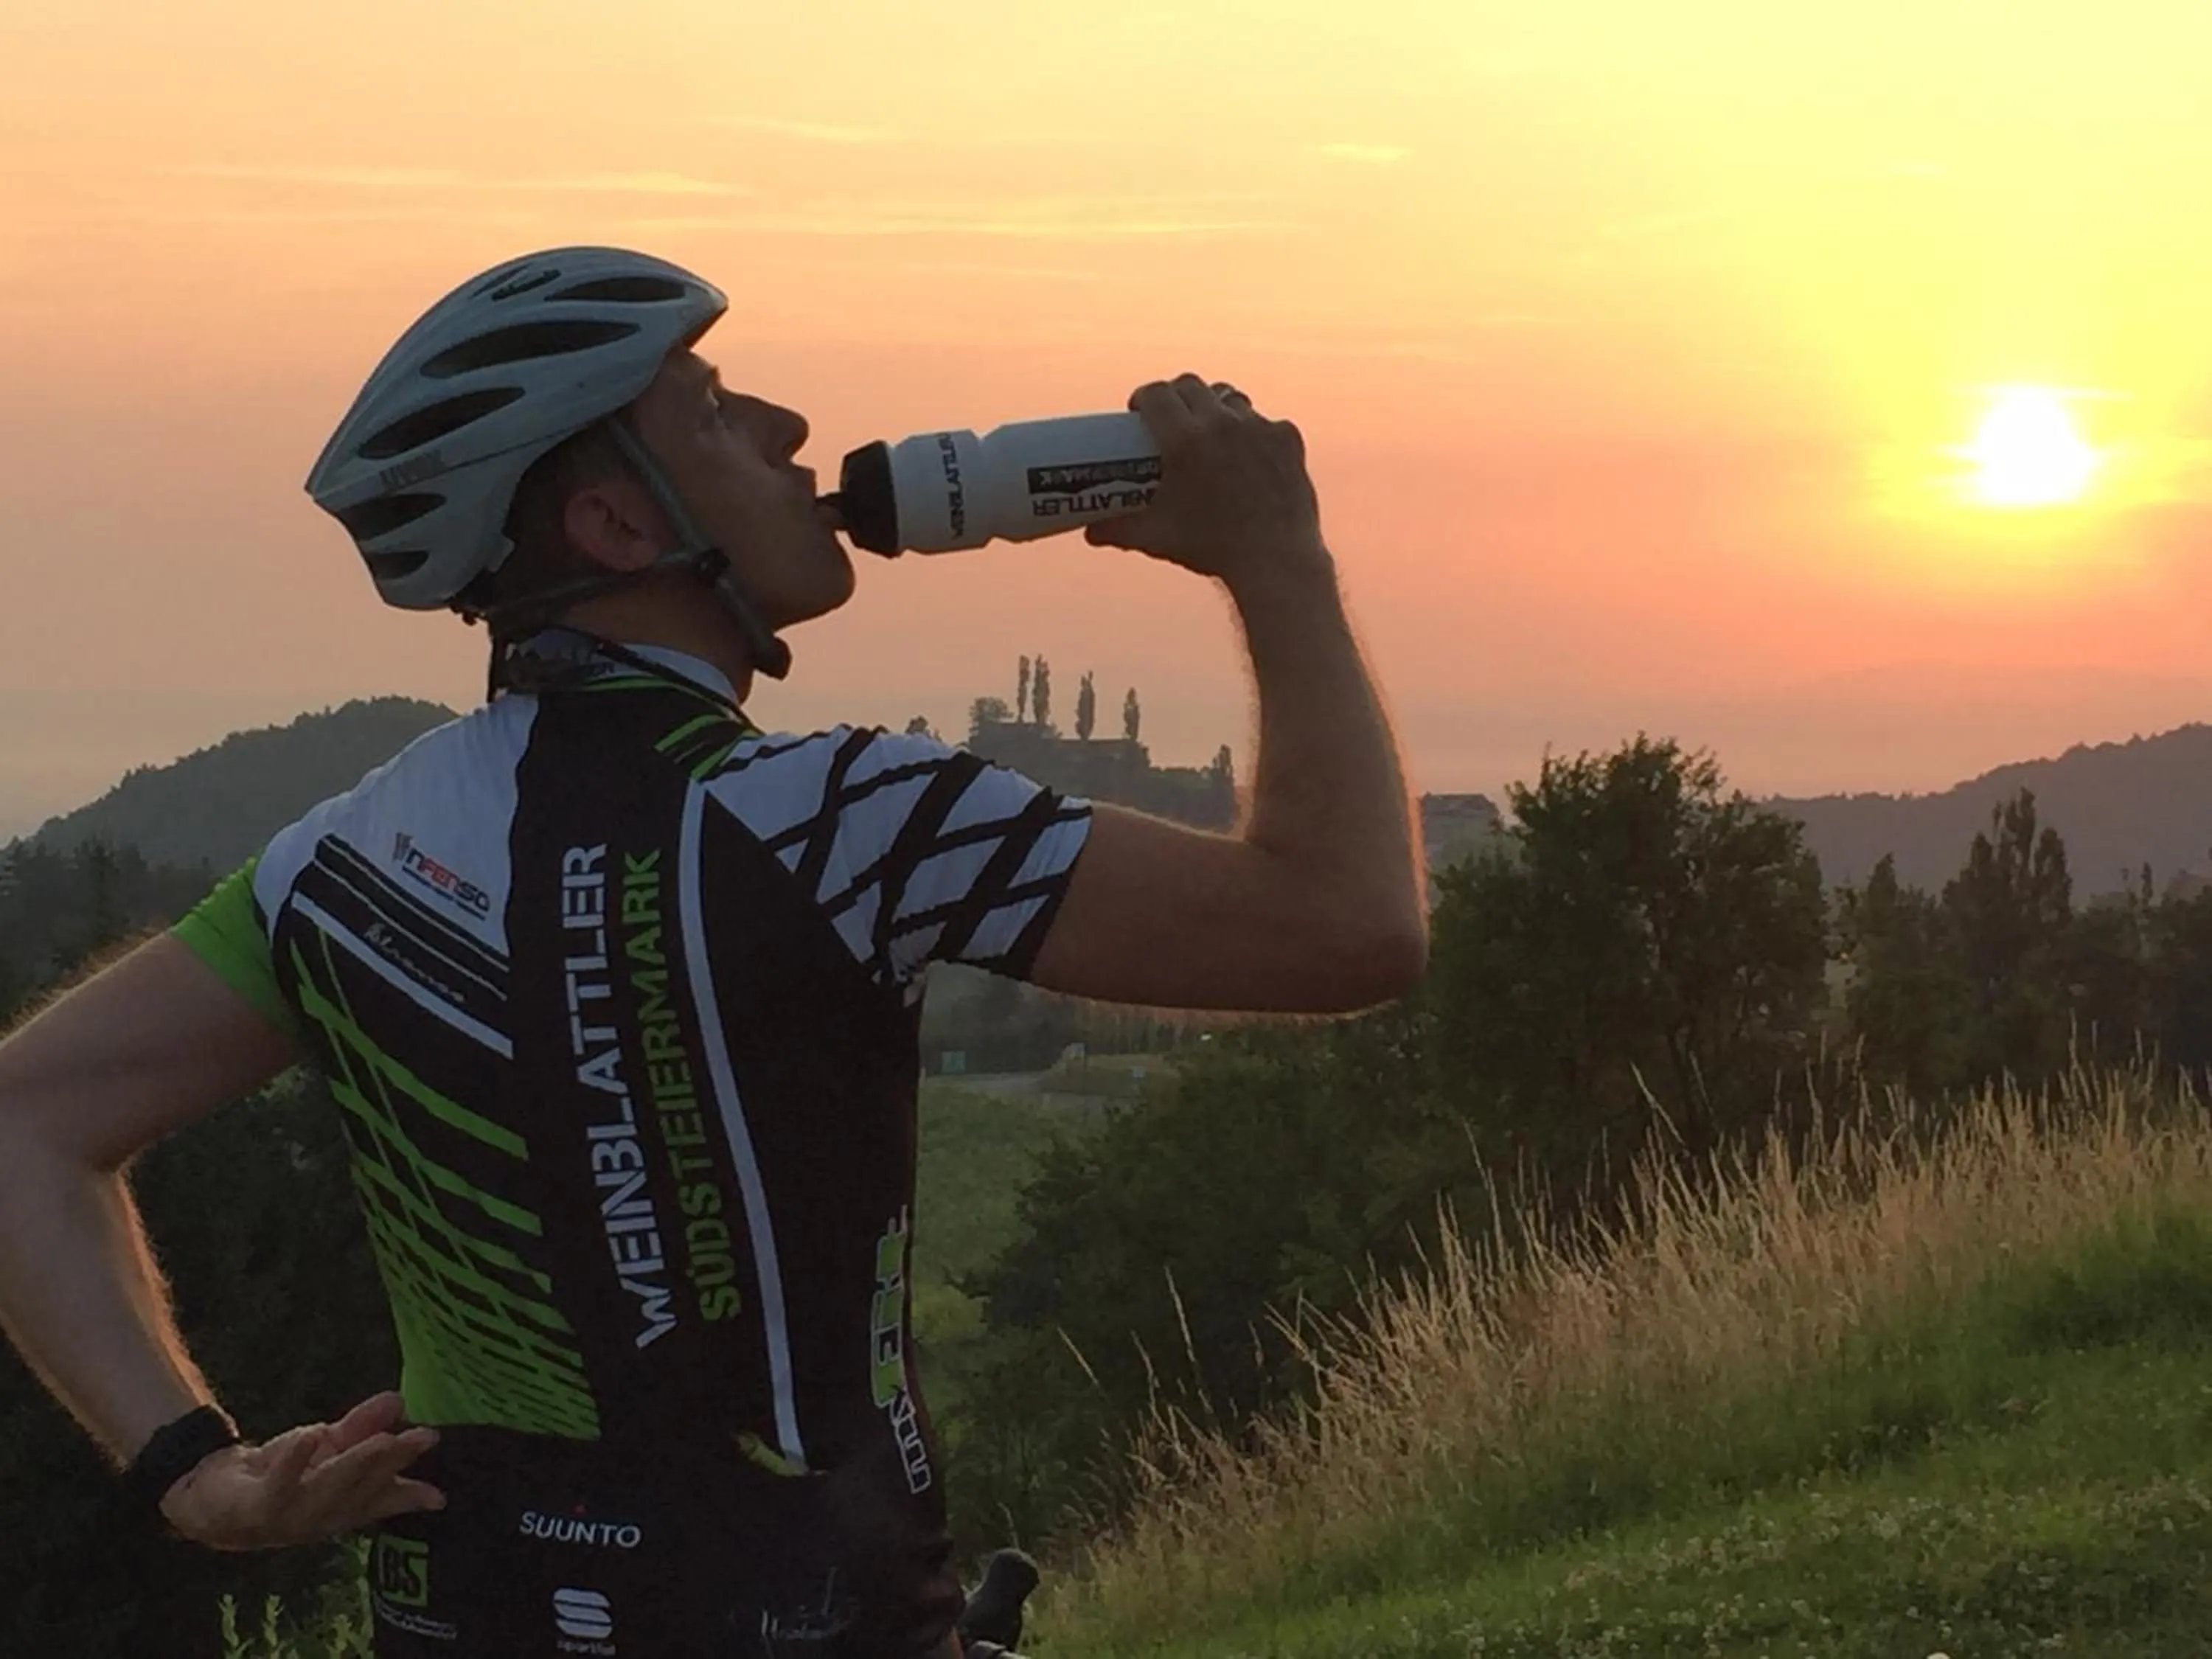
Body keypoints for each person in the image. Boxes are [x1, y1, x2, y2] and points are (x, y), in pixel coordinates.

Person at [0, 246, 1427, 1657]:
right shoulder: (835, 815)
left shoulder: (342, 859)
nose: (787, 432)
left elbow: (26, 1121)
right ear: (621, 526)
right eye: (711, 409)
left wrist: (191, 1470)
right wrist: (1275, 557)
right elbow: (1342, 925)